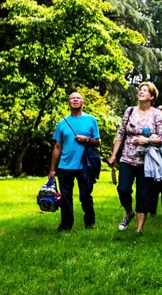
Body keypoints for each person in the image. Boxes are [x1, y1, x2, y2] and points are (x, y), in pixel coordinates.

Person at [108, 82, 162, 235]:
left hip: (146, 161)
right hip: (127, 158)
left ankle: (139, 229)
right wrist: (114, 154)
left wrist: (146, 140)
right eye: (140, 90)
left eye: (145, 91)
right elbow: (121, 133)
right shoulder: (130, 111)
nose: (141, 92)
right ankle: (128, 213)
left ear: (152, 96)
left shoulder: (157, 114)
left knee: (143, 194)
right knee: (123, 189)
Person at [49, 92, 101, 231]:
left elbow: (98, 142)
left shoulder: (91, 120)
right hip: (65, 166)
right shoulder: (62, 123)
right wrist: (52, 169)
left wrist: (87, 140)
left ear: (83, 102)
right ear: (68, 102)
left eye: (78, 98)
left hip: (85, 166)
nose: (75, 100)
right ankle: (66, 225)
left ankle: (89, 222)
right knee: (66, 198)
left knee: (85, 196)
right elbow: (57, 147)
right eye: (72, 98)